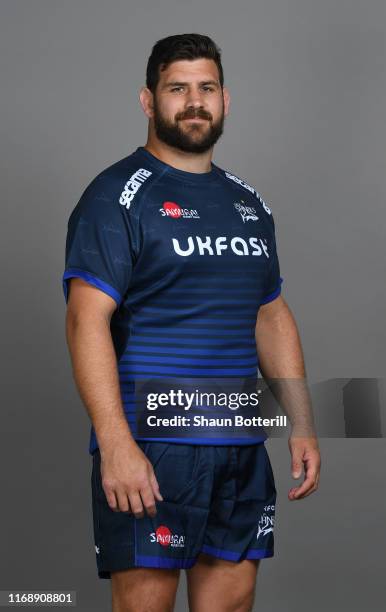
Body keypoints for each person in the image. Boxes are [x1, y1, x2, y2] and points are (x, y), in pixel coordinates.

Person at [62, 33, 321, 612]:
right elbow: (86, 321)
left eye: (206, 88)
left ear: (225, 100)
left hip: (239, 441)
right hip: (154, 447)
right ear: (148, 101)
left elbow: (270, 314)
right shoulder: (116, 197)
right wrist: (115, 444)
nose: (194, 101)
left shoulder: (248, 203)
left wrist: (300, 422)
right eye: (177, 89)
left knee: (231, 603)